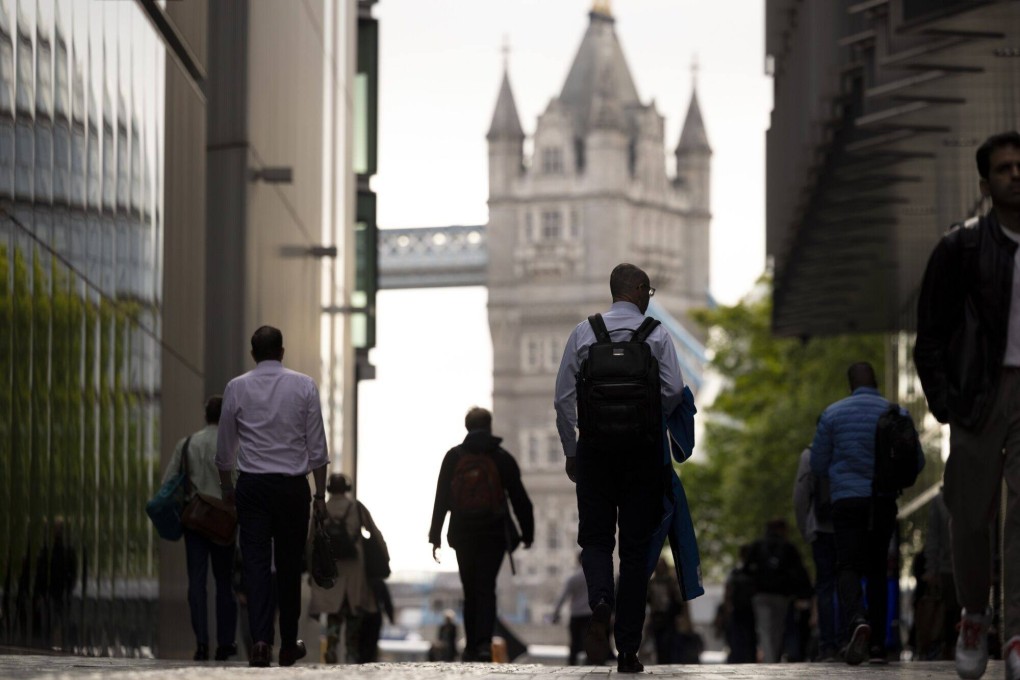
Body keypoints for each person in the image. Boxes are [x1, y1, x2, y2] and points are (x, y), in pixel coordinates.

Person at [915, 130, 1020, 680]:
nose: (1016, 175)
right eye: (1004, 168)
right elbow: (930, 334)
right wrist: (944, 402)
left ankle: (1017, 630)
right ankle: (974, 615)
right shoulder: (962, 248)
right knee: (971, 516)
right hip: (980, 394)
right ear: (985, 184)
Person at [554, 263, 685, 674]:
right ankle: (627, 650)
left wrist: (572, 450)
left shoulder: (584, 332)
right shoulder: (657, 334)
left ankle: (599, 601)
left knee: (595, 540)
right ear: (640, 289)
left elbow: (562, 399)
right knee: (634, 552)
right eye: (650, 291)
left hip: (595, 452)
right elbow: (674, 390)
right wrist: (649, 417)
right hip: (641, 455)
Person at [215, 325, 330, 668]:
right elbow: (317, 448)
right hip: (292, 488)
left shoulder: (236, 387)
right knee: (290, 565)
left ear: (253, 354)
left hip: (252, 486)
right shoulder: (304, 385)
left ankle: (261, 642)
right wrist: (319, 496)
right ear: (282, 351)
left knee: (256, 565)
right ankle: (288, 644)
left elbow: (224, 449)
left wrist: (227, 488)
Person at [810, 361, 924, 666]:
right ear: (875, 382)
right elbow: (918, 461)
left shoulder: (832, 414)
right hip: (883, 500)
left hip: (847, 501)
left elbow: (818, 464)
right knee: (878, 569)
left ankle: (857, 620)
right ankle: (876, 647)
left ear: (851, 385)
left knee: (847, 565)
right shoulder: (898, 414)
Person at [428, 406, 534, 662]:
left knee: (470, 589)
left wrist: (435, 536)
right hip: (493, 533)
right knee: (487, 587)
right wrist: (527, 532)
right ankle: (484, 644)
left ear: (467, 427)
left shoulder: (454, 457)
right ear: (489, 426)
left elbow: (441, 498)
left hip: (463, 534)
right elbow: (520, 499)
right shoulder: (501, 457)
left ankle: (471, 646)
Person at [161, 395, 237, 661]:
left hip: (195, 520)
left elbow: (168, 482)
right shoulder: (234, 445)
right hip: (224, 523)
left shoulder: (187, 444)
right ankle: (225, 644)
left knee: (196, 583)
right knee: (225, 583)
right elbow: (240, 481)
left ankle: (201, 643)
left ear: (206, 415)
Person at [307, 473, 385, 664]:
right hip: (354, 568)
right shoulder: (355, 507)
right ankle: (351, 651)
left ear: (329, 488)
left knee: (333, 611)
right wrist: (384, 559)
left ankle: (331, 647)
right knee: (353, 610)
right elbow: (375, 533)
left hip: (330, 568)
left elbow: (311, 541)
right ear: (347, 488)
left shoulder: (321, 508)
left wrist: (311, 570)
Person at [793, 444, 839, 661]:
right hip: (852, 527)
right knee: (850, 581)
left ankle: (828, 645)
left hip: (822, 528)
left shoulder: (811, 454)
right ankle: (849, 636)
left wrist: (805, 529)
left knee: (825, 586)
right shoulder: (853, 448)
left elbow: (800, 496)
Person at [743, 518, 811, 663]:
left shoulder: (758, 545)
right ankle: (774, 657)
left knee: (765, 628)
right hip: (782, 595)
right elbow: (799, 571)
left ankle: (770, 658)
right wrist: (802, 593)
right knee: (778, 628)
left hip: (760, 594)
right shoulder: (788, 547)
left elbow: (746, 569)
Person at [922, 487, 959, 660]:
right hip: (947, 568)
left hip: (953, 566)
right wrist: (931, 569)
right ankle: (948, 647)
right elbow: (933, 537)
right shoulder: (940, 501)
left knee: (953, 611)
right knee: (949, 611)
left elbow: (933, 537)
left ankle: (951, 647)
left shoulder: (940, 501)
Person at [553, 555, 596, 665]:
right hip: (589, 614)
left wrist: (555, 613)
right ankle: (590, 662)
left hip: (576, 614)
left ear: (578, 561)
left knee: (575, 642)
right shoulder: (594, 577)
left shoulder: (573, 578)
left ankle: (572, 663)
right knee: (589, 641)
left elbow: (563, 597)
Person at [722, 544, 757, 663]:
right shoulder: (736, 572)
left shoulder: (750, 572)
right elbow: (728, 590)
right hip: (739, 611)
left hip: (749, 611)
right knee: (738, 640)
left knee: (748, 641)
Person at [646, 557, 685, 664]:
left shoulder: (671, 582)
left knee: (669, 643)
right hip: (657, 616)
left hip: (669, 617)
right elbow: (649, 599)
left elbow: (678, 600)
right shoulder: (652, 582)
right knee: (659, 643)